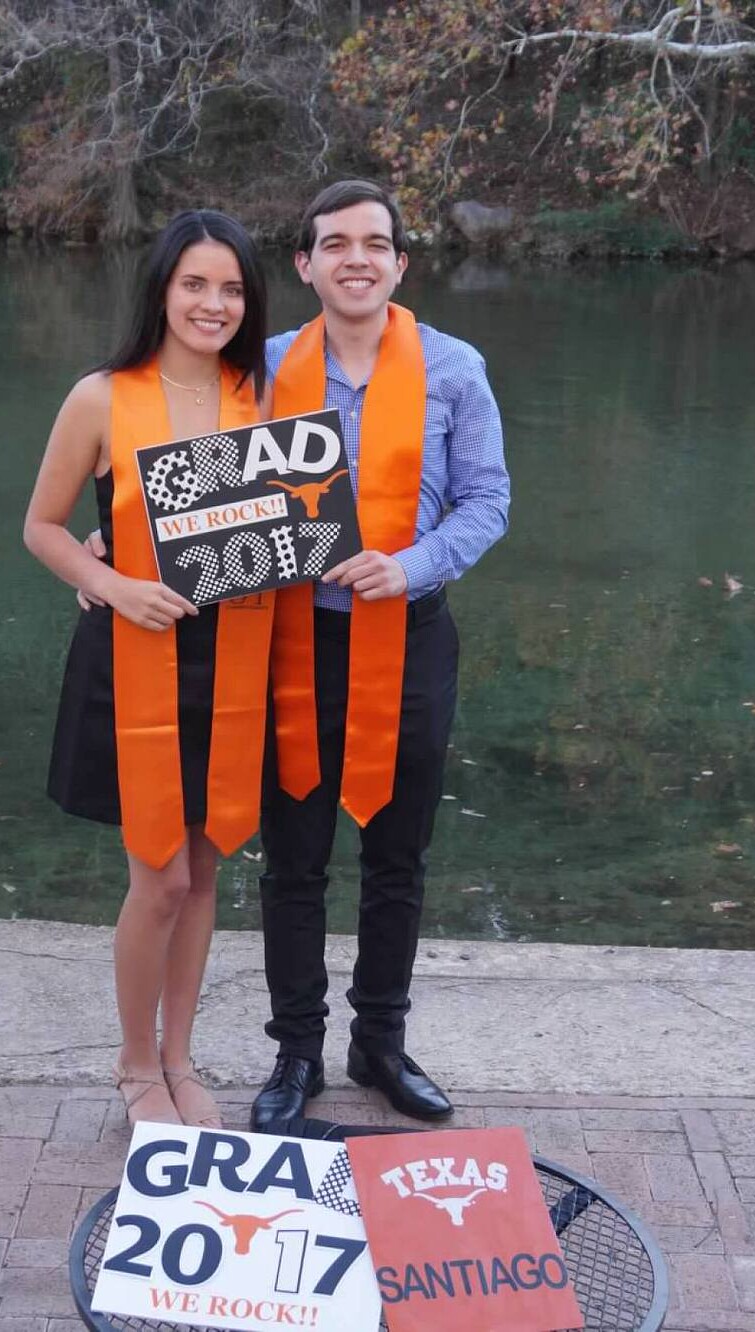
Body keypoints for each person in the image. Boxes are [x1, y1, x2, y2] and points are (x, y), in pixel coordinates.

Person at [250, 180, 510, 1132]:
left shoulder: (454, 367)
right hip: (292, 639)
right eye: (335, 243)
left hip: (412, 636)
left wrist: (407, 567)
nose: (355, 257)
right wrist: (116, 548)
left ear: (400, 263)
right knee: (293, 860)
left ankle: (382, 1044)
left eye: (375, 243)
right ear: (306, 264)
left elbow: (487, 502)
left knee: (398, 856)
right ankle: (295, 1054)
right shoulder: (267, 369)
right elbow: (197, 488)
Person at [24, 211, 273, 1128]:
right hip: (136, 652)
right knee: (159, 879)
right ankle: (135, 1067)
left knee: (205, 876)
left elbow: (292, 517)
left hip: (237, 656)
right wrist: (113, 583)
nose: (213, 304)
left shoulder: (267, 396)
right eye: (195, 284)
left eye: (232, 289)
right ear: (162, 288)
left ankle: (181, 1059)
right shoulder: (101, 396)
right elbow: (43, 527)